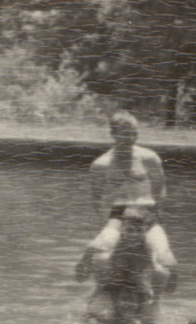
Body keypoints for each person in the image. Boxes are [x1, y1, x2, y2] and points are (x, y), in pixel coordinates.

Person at [75, 110, 177, 292]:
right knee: (101, 248)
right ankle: (96, 277)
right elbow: (96, 196)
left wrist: (159, 214)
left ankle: (155, 297)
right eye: (125, 134)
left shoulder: (149, 158)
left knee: (164, 257)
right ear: (113, 134)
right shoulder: (101, 164)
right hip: (119, 214)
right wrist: (105, 221)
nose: (131, 138)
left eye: (134, 133)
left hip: (146, 211)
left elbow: (160, 187)